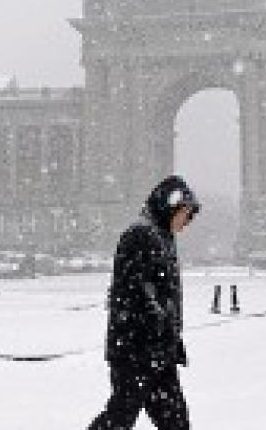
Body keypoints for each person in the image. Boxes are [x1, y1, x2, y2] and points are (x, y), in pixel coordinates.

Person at [87, 174, 200, 430]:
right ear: (169, 207)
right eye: (185, 214)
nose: (187, 222)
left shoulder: (161, 237)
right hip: (136, 353)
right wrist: (157, 330)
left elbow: (160, 297)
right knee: (121, 416)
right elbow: (133, 295)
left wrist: (169, 340)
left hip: (157, 354)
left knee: (173, 421)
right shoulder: (141, 236)